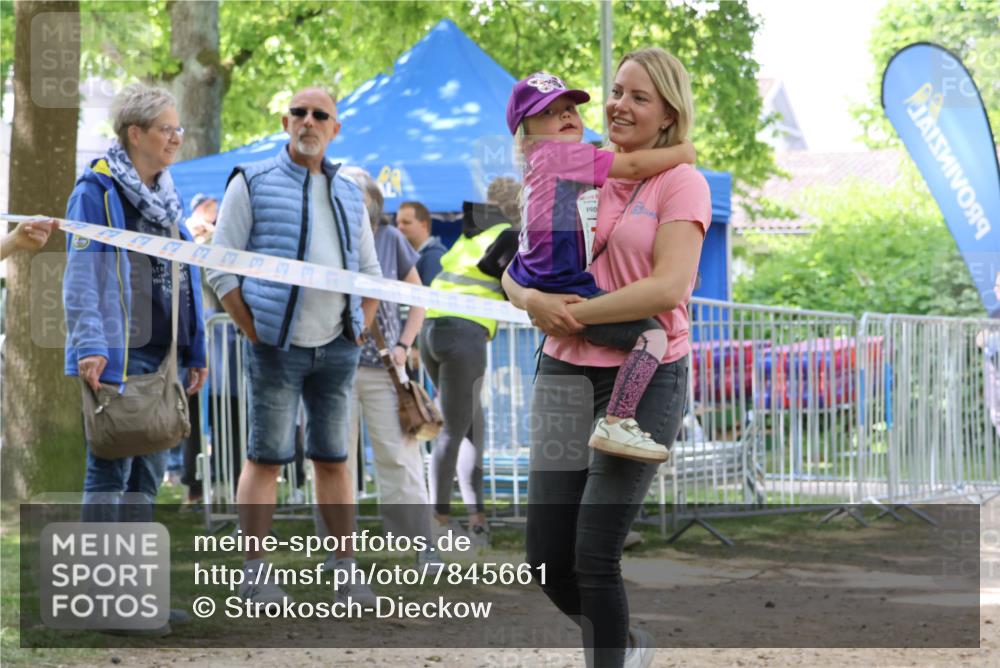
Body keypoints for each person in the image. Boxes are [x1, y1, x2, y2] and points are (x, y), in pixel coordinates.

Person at [502, 49, 711, 667]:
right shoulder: (575, 167)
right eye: (616, 90)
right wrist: (530, 298)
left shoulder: (680, 181)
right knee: (546, 560)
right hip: (564, 369)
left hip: (642, 375)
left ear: (669, 113)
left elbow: (669, 288)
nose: (619, 105)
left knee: (595, 555)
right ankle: (626, 647)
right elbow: (514, 265)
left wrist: (572, 313)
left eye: (638, 97)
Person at [207, 87, 381, 606]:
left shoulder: (350, 192)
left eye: (319, 114)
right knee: (266, 460)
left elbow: (371, 273)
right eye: (299, 113)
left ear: (334, 128)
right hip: (275, 349)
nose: (308, 121)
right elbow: (221, 265)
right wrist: (253, 329)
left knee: (334, 459)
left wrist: (358, 327)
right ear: (286, 122)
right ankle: (255, 574)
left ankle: (345, 570)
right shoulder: (252, 180)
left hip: (337, 347)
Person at [505, 71, 695, 464]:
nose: (566, 116)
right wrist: (684, 152)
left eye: (570, 108)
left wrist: (528, 296)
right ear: (526, 136)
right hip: (562, 287)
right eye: (549, 113)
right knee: (652, 338)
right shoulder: (561, 157)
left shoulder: (544, 169)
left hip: (537, 274)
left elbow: (515, 264)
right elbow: (635, 167)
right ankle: (619, 418)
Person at [64, 83, 208, 525]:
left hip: (167, 356)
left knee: (148, 477)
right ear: (134, 133)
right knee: (110, 474)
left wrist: (196, 347)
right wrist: (90, 343)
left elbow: (188, 275)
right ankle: (99, 588)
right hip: (118, 353)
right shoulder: (95, 192)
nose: (176, 138)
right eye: (166, 129)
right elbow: (81, 273)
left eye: (177, 128)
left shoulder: (169, 198)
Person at [420, 183, 520, 548]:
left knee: (470, 428)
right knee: (452, 429)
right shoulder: (510, 234)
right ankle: (436, 524)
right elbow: (516, 283)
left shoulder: (473, 234)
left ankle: (477, 522)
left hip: (433, 329)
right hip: (463, 333)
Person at [396, 200, 447, 285]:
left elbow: (431, 295)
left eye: (406, 222)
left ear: (424, 225)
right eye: (397, 223)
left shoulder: (434, 256)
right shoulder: (419, 255)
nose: (399, 227)